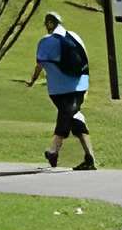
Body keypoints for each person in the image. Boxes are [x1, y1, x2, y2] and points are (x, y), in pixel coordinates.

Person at [33, 12, 99, 171]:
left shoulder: (46, 42)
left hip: (60, 89)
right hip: (81, 86)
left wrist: (32, 80)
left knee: (66, 115)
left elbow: (39, 64)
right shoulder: (75, 36)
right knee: (75, 118)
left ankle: (53, 151)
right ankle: (89, 157)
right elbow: (85, 59)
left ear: (49, 24)